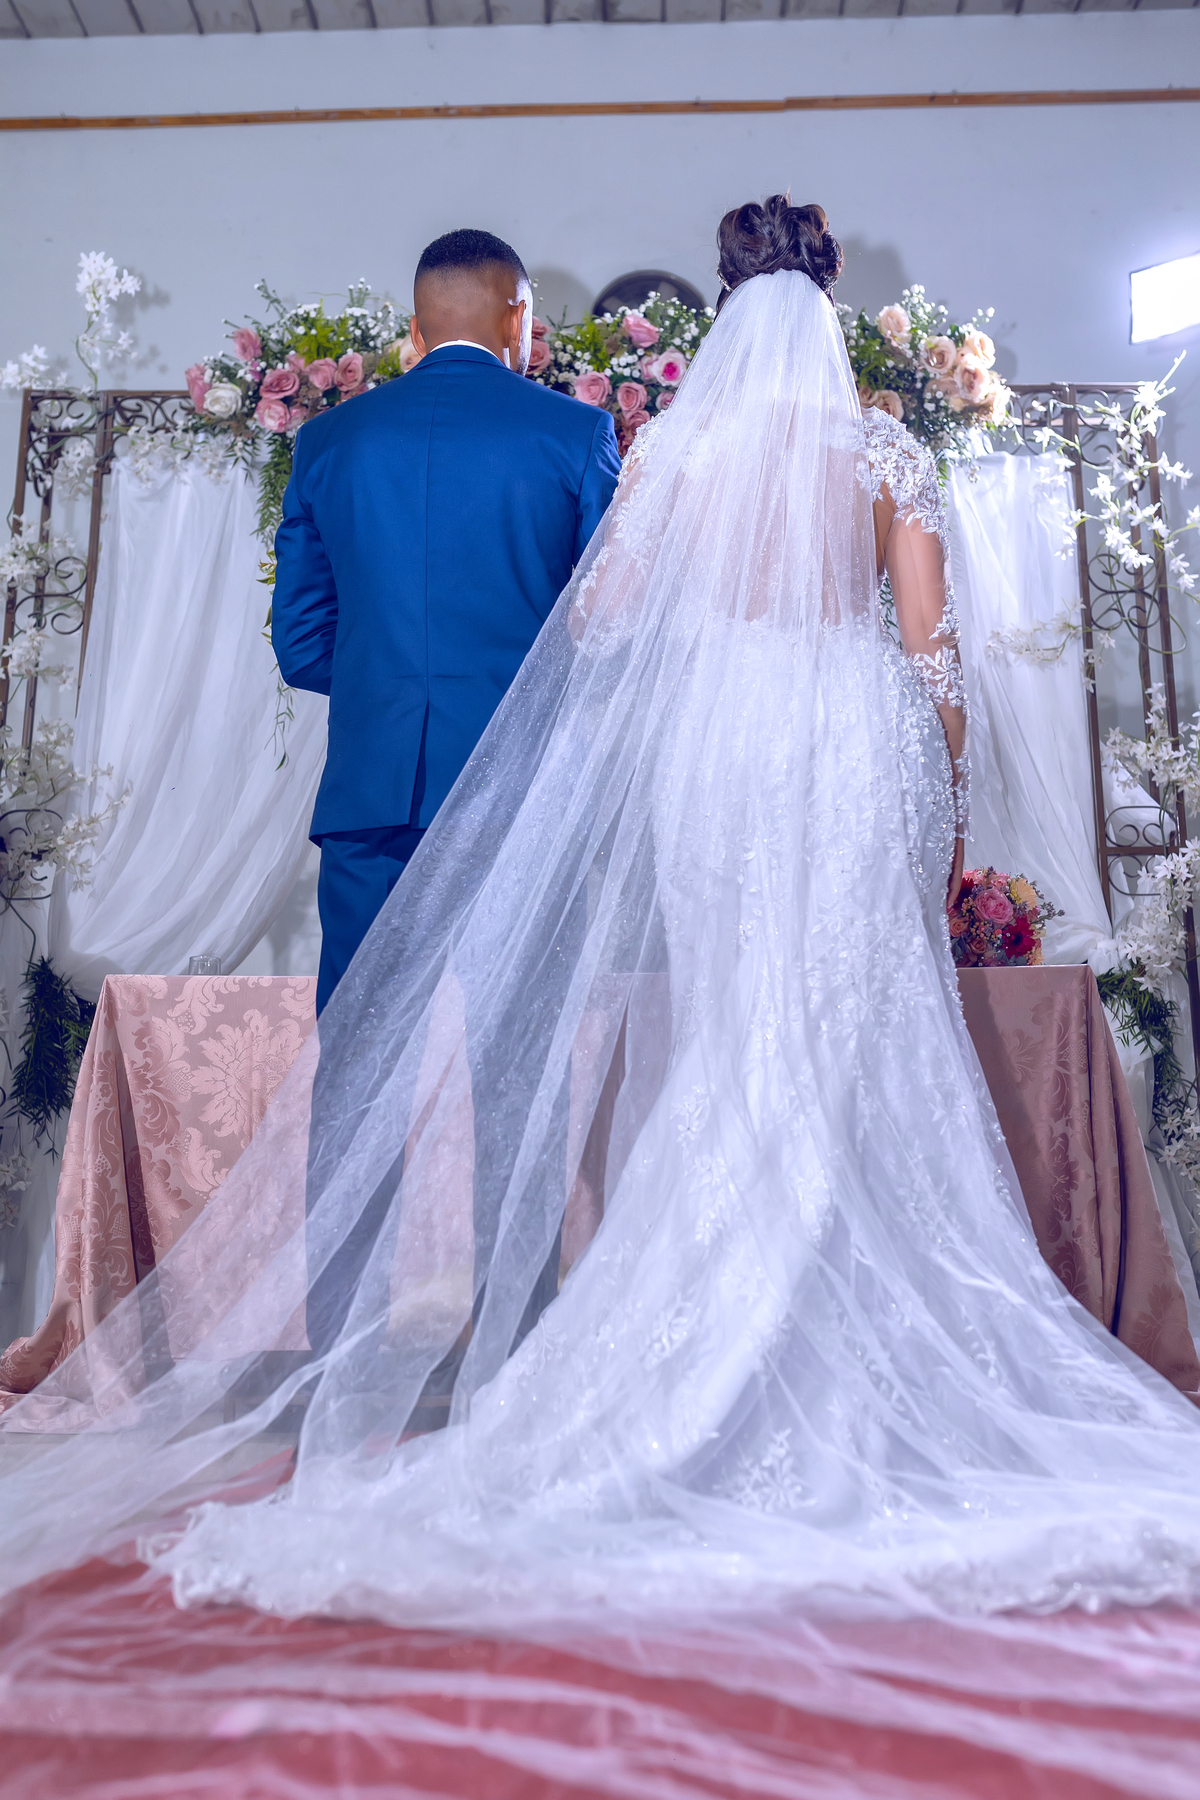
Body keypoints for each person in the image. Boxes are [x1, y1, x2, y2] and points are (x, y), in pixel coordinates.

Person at [6, 200, 1200, 1682]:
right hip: (844, 748)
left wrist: (677, 680)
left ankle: (439, 1349)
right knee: (823, 1032)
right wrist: (933, 796)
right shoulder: (872, 450)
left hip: (662, 763)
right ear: (829, 317)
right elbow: (931, 660)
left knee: (561, 1042)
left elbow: (597, 626)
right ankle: (768, 1325)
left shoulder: (641, 451)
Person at [271, 227, 621, 1016]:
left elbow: (299, 643)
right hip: (522, 790)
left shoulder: (327, 441)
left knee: (358, 1049)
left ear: (417, 326)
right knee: (518, 1060)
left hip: (373, 793)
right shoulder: (576, 433)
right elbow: (608, 626)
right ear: (518, 315)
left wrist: (383, 682)